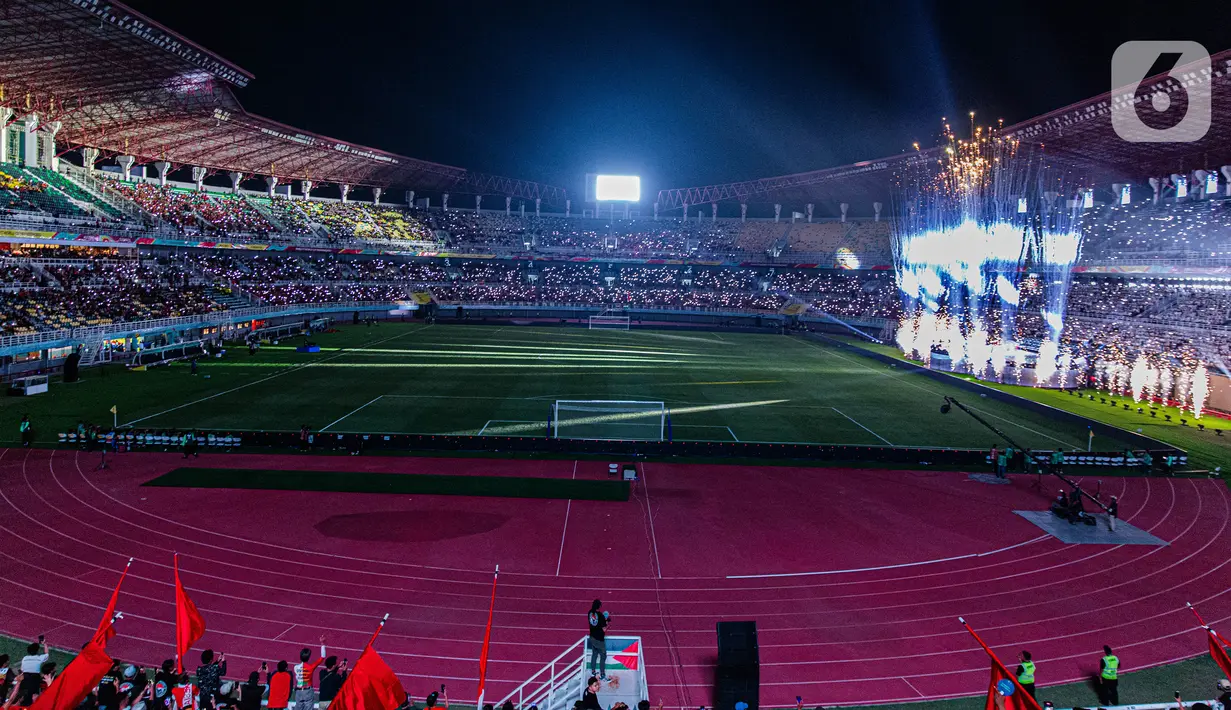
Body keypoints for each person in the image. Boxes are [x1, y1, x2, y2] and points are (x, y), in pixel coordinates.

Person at [292, 636, 327, 710]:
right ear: (308, 658)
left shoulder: (295, 667)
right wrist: (322, 643)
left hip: (298, 691)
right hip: (308, 691)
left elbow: (298, 680)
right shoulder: (311, 667)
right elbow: (322, 657)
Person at [17, 637, 49, 705]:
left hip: (25, 679)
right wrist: (44, 644)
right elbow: (47, 654)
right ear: (37, 651)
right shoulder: (39, 658)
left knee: (24, 698)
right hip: (34, 679)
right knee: (34, 697)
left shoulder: (25, 658)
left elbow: (21, 670)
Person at [587, 600, 609, 680]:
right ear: (599, 606)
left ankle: (593, 671)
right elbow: (604, 629)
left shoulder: (589, 613)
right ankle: (602, 674)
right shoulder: (601, 615)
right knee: (603, 656)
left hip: (592, 637)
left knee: (594, 654)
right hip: (599, 639)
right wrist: (607, 622)